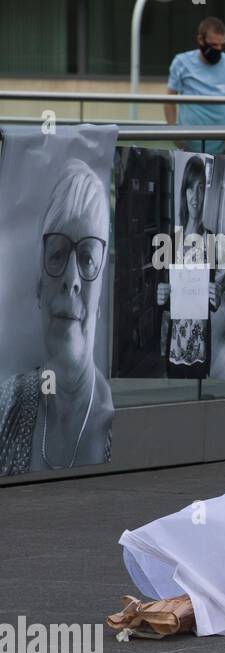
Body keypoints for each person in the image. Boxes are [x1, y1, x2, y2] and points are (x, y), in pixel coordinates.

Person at [0, 159, 114, 475]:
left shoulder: (121, 423)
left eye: (88, 258)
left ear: (100, 296)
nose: (71, 278)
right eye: (58, 253)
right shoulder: (6, 405)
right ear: (39, 288)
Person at [155, 155, 221, 379]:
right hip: (175, 347)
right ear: (184, 193)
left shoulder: (211, 241)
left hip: (200, 348)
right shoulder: (171, 243)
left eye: (201, 188)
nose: (196, 196)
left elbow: (212, 305)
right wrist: (161, 296)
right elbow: (167, 303)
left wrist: (217, 296)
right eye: (191, 189)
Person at [165, 17, 225, 154]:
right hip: (186, 144)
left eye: (222, 45)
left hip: (222, 144)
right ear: (200, 40)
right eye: (214, 45)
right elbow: (169, 99)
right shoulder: (181, 62)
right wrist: (173, 131)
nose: (218, 49)